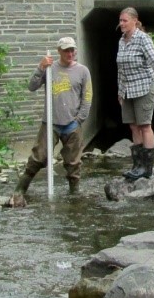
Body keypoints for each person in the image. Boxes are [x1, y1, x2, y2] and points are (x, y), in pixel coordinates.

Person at [11, 36, 93, 206]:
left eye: (72, 50)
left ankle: (74, 195)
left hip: (72, 124)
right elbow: (32, 86)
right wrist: (40, 68)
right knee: (38, 158)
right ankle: (19, 190)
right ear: (59, 51)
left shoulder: (83, 71)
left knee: (73, 163)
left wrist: (80, 119)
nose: (70, 53)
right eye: (66, 50)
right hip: (50, 123)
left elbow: (87, 97)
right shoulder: (50, 68)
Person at [116, 7, 154, 181]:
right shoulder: (121, 41)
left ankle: (146, 168)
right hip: (127, 90)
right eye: (120, 20)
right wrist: (120, 91)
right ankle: (137, 165)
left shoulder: (143, 39)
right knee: (133, 126)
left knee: (145, 126)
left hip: (143, 87)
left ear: (134, 20)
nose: (121, 24)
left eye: (124, 20)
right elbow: (121, 70)